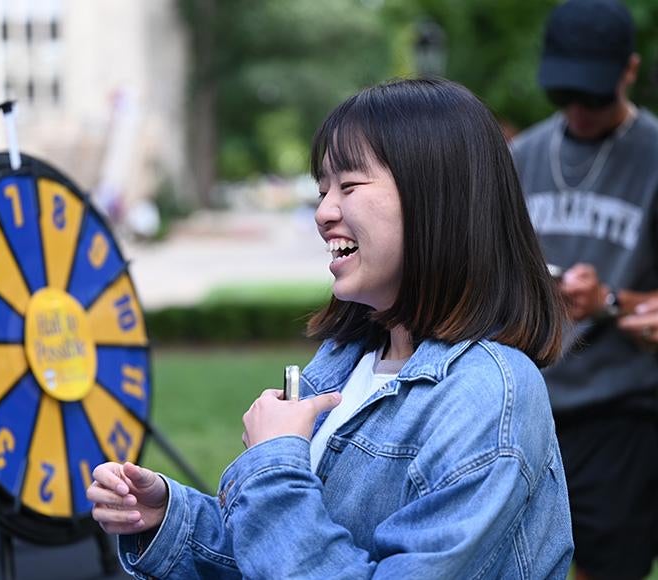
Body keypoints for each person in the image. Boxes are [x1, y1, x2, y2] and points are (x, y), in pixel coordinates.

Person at [89, 78, 573, 579]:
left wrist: (276, 465)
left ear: (435, 197)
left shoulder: (489, 395)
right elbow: (277, 555)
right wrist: (171, 519)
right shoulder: (346, 362)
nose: (323, 213)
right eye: (323, 190)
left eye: (349, 186)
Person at [510, 1, 658, 578]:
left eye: (592, 94)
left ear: (629, 71)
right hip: (523, 405)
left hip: (620, 412)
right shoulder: (521, 158)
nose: (577, 109)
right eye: (563, 92)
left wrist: (610, 302)